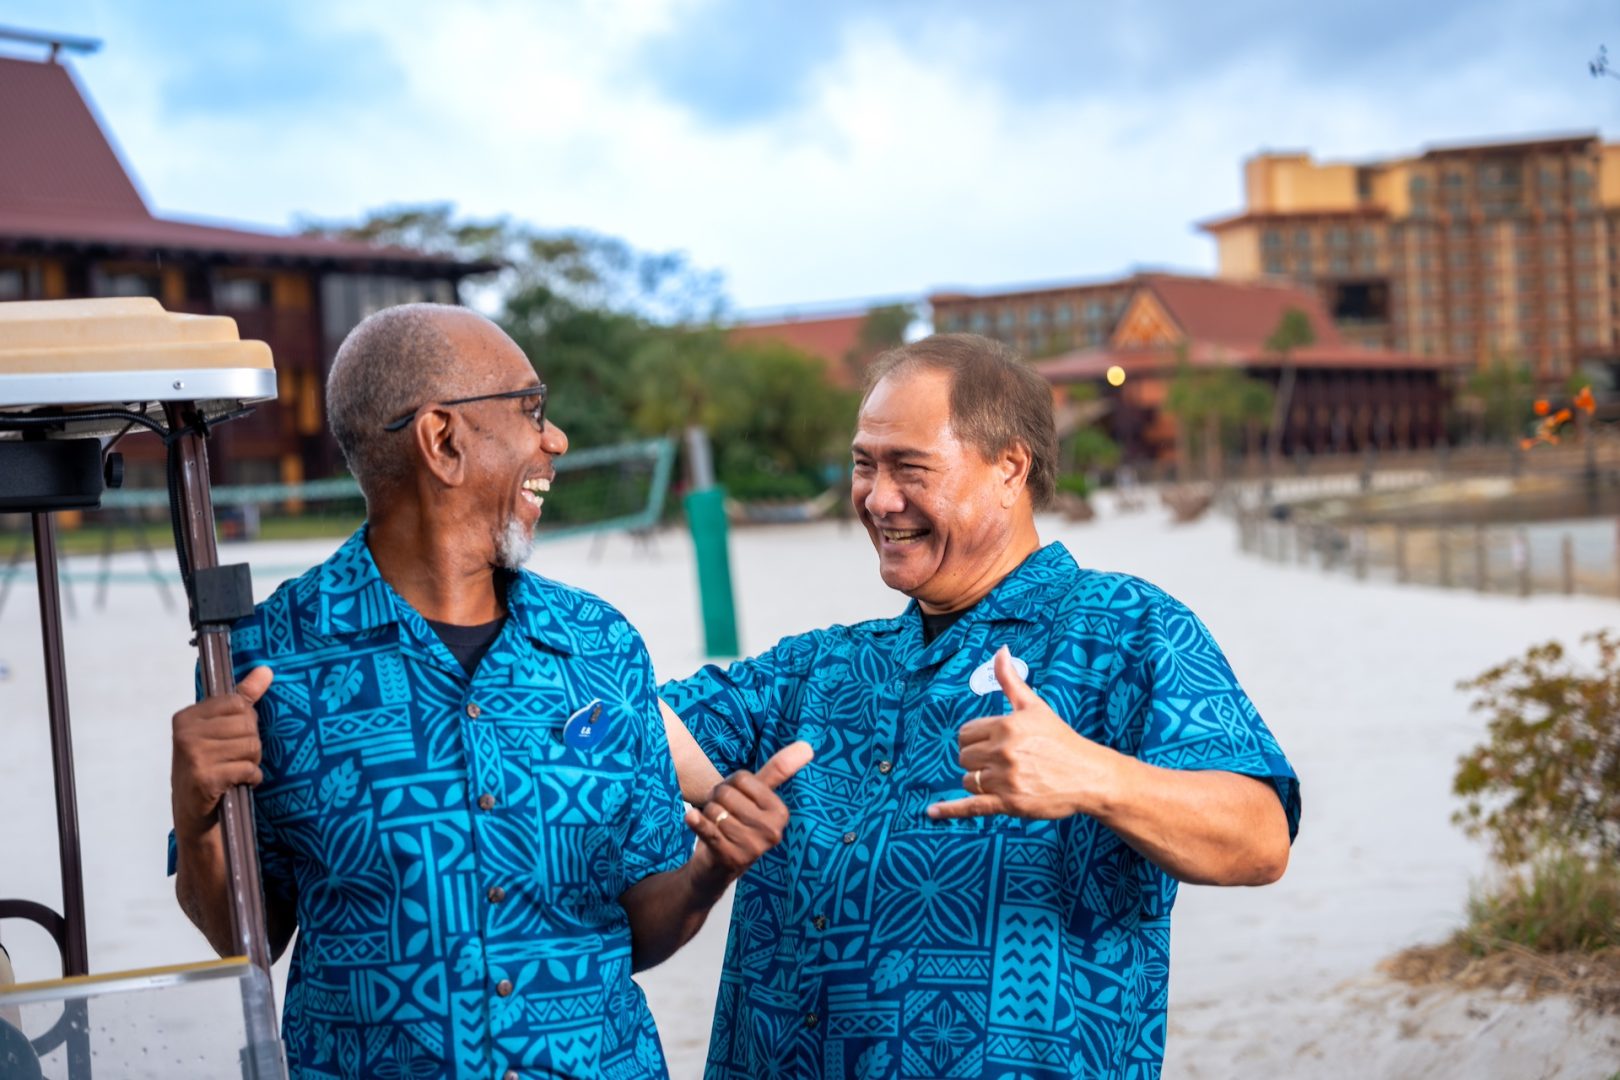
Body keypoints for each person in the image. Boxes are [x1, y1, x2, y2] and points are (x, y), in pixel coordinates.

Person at [169, 303, 809, 1080]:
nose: (556, 439)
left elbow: (642, 926)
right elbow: (246, 942)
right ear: (443, 440)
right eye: (531, 410)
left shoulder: (599, 646)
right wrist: (197, 814)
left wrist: (709, 872)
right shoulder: (266, 660)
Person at [661, 333, 1300, 1080]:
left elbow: (1259, 838)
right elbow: (628, 727)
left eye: (909, 467)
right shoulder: (819, 664)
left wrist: (1096, 778)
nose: (877, 497)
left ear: (1009, 469)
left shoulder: (1122, 627)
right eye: (865, 464)